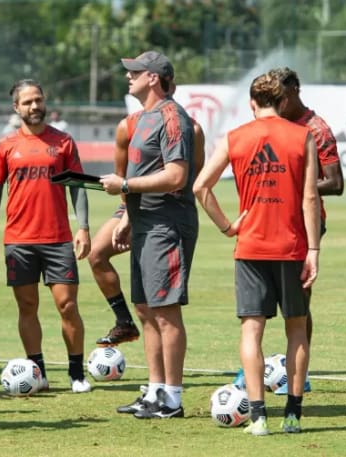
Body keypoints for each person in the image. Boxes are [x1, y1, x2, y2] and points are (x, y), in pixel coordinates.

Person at [193, 70, 321, 435]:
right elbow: (310, 197)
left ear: (252, 103)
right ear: (282, 102)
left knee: (252, 330)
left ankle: (259, 418)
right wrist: (313, 248)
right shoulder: (303, 136)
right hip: (293, 245)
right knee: (296, 329)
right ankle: (293, 416)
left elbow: (201, 187)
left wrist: (227, 225)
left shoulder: (235, 137)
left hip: (250, 245)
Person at [232, 67, 344, 395]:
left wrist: (295, 185)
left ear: (294, 90)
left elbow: (335, 182)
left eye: (281, 95)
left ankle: (297, 375)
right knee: (255, 306)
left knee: (298, 303)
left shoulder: (316, 129)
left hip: (303, 222)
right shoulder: (265, 126)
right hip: (265, 219)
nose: (277, 103)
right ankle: (253, 370)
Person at [100, 51, 197, 419]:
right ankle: (155, 391)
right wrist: (126, 211)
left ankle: (172, 398)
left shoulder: (173, 117)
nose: (129, 77)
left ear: (153, 78)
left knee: (166, 311)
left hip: (167, 224)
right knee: (145, 310)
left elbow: (177, 176)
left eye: (136, 72)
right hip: (144, 223)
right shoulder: (142, 119)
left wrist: (124, 184)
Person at [0, 79, 92, 393]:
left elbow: (78, 187)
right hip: (19, 241)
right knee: (27, 306)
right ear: (16, 108)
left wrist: (83, 227)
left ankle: (76, 372)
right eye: (27, 102)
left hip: (58, 239)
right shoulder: (5, 145)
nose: (34, 106)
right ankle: (37, 372)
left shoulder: (64, 142)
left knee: (67, 305)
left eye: (38, 100)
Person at [91, 82, 206, 347]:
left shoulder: (191, 128)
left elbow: (190, 176)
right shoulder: (127, 126)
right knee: (97, 254)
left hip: (166, 208)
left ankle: (166, 380)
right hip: (131, 201)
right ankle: (124, 322)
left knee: (159, 305)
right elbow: (121, 176)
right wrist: (128, 216)